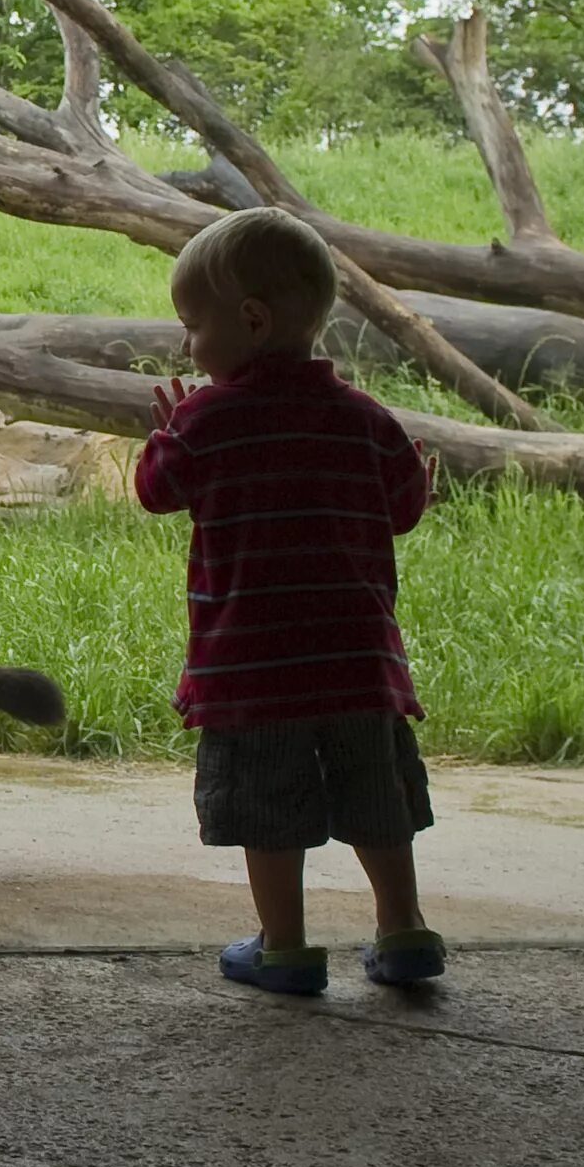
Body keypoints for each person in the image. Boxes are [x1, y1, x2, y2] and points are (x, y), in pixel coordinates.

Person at [135, 203, 444, 997]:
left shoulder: (206, 419)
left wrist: (169, 434)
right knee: (377, 798)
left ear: (252, 319)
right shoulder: (367, 420)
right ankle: (403, 931)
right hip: (357, 664)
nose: (186, 346)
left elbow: (155, 491)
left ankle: (287, 947)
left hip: (254, 665)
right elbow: (404, 505)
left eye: (192, 325)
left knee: (269, 810)